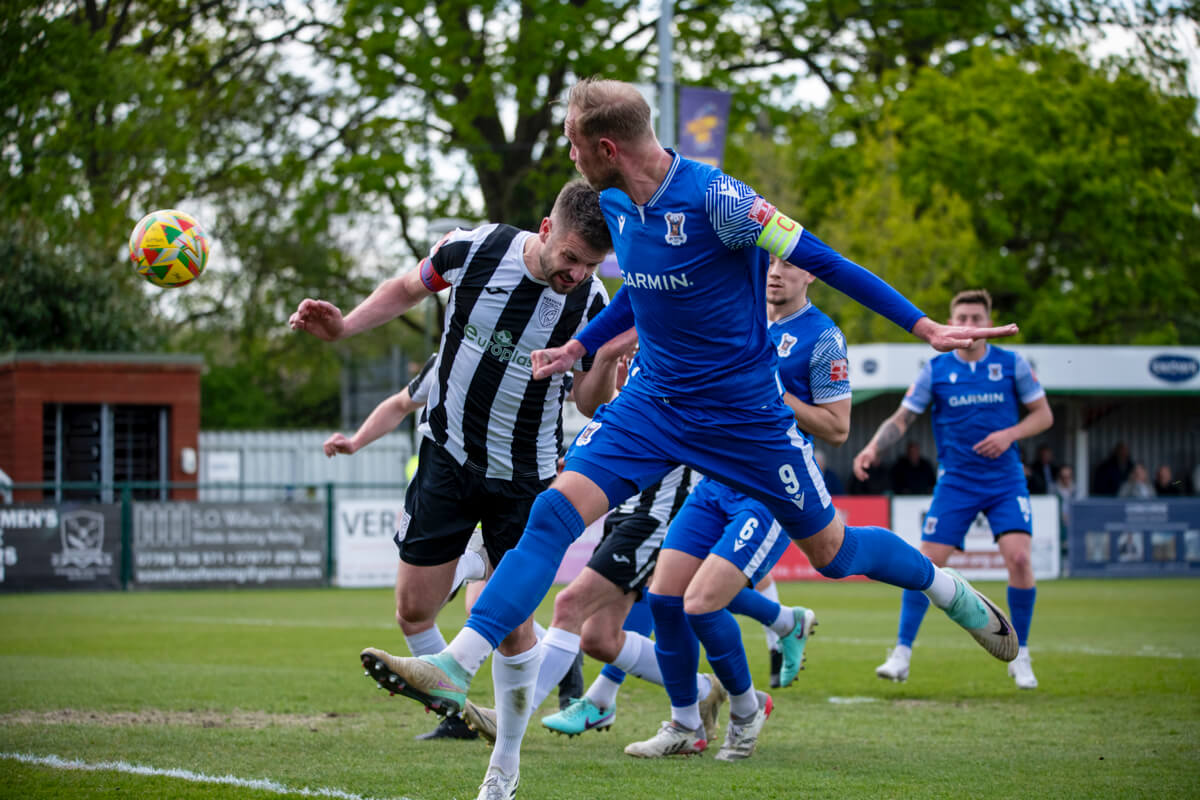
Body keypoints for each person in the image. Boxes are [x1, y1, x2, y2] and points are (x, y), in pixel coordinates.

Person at [362, 78, 1021, 799]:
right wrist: (581, 346)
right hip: (654, 404)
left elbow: (827, 259)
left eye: (573, 141)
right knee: (554, 513)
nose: (569, 153)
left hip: (745, 417)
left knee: (834, 553)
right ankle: (457, 665)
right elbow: (643, 298)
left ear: (606, 145)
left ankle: (946, 588)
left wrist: (924, 327)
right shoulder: (613, 204)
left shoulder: (721, 201)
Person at [290, 179, 617, 786]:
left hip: (524, 477)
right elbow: (405, 288)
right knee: (413, 609)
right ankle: (458, 702)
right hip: (447, 455)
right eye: (571, 257)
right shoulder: (474, 248)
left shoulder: (595, 306)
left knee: (515, 625)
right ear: (546, 230)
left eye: (590, 264)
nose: (576, 273)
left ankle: (504, 765)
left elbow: (594, 403)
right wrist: (346, 327)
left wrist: (605, 366)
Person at [853, 289, 1054, 690]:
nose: (969, 325)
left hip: (1004, 481)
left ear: (989, 321)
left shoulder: (1011, 364)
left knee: (1018, 559)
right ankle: (902, 654)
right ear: (950, 320)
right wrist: (874, 446)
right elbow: (903, 418)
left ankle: (1022, 654)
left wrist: (1009, 434)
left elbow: (1043, 415)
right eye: (961, 317)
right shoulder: (936, 370)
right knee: (923, 565)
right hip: (956, 483)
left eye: (977, 317)